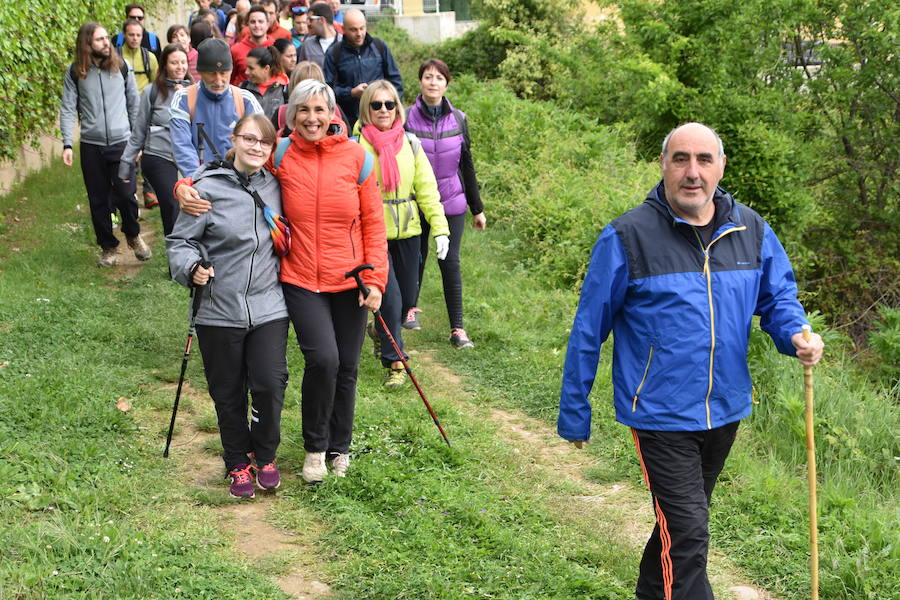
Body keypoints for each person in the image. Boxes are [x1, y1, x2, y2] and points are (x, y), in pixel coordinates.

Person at [556, 122, 825, 600]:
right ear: (663, 165)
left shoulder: (751, 230)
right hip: (658, 411)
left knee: (679, 525)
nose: (692, 172)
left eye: (704, 159)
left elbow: (779, 299)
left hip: (725, 408)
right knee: (688, 530)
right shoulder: (626, 236)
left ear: (721, 167)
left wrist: (796, 335)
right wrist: (575, 412)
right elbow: (588, 329)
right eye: (681, 159)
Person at [175, 79, 388, 483]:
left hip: (351, 278)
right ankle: (314, 447)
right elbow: (234, 169)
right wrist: (183, 185)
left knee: (347, 368)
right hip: (301, 278)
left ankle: (339, 447)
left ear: (332, 115)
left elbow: (374, 224)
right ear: (291, 115)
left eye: (319, 110)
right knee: (323, 360)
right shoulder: (282, 153)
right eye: (303, 111)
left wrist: (375, 279)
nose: (312, 118)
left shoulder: (358, 159)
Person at [166, 113, 289, 499]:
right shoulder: (205, 188)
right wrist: (191, 268)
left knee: (270, 384)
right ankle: (237, 460)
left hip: (269, 305)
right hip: (219, 309)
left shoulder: (278, 186)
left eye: (264, 142)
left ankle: (265, 453)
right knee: (227, 391)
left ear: (271, 149)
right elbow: (179, 243)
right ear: (234, 140)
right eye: (249, 139)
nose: (256, 147)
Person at [354, 80, 450, 388]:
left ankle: (378, 330)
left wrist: (440, 229)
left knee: (408, 298)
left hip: (408, 231)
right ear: (366, 109)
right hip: (374, 234)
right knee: (391, 300)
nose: (383, 110)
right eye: (376, 105)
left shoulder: (410, 143)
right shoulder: (357, 146)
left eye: (389, 104)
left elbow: (427, 189)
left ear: (398, 107)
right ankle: (396, 363)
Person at [404, 58, 486, 349]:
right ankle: (408, 310)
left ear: (446, 83)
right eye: (428, 77)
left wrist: (477, 209)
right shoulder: (405, 118)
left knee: (449, 262)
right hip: (416, 203)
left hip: (451, 202)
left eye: (439, 77)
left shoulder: (459, 119)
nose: (433, 82)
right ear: (420, 82)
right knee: (415, 258)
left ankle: (458, 329)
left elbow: (467, 165)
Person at [60, 22, 150, 267]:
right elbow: (68, 108)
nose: (105, 43)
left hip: (122, 143)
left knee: (126, 194)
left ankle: (133, 234)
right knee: (98, 199)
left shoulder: (122, 67)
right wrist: (67, 143)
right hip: (91, 145)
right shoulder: (75, 72)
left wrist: (137, 141)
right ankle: (108, 247)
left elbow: (134, 105)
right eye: (99, 40)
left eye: (105, 38)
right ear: (87, 44)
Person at [118, 44, 193, 237]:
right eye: (174, 62)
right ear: (165, 65)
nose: (179, 67)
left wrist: (183, 97)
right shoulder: (152, 91)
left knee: (194, 209)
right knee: (172, 205)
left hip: (189, 158)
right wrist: (126, 162)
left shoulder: (196, 92)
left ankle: (193, 260)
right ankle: (175, 260)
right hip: (159, 156)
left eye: (183, 62)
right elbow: (139, 130)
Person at [169, 37, 263, 178]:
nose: (218, 81)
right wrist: (198, 181)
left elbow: (259, 143)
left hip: (238, 183)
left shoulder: (246, 100)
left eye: (224, 73)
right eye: (212, 74)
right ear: (200, 72)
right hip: (197, 182)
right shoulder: (183, 99)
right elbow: (182, 146)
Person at [324, 8, 402, 130]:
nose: (359, 33)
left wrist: (394, 109)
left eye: (362, 28)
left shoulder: (379, 47)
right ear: (343, 29)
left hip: (379, 117)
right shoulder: (334, 53)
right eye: (353, 30)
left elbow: (395, 82)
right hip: (348, 119)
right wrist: (351, 93)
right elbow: (327, 91)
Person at [240, 46, 289, 121]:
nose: (246, 72)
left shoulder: (285, 89)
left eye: (251, 68)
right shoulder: (243, 88)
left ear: (266, 68)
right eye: (247, 67)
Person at [230, 5, 274, 85]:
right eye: (253, 22)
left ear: (267, 24)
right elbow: (231, 78)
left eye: (260, 21)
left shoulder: (275, 47)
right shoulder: (235, 50)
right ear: (248, 24)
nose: (257, 25)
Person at [118, 18, 159, 93]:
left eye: (138, 35)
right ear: (124, 34)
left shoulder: (150, 58)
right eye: (131, 35)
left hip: (143, 102)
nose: (135, 38)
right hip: (121, 102)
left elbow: (156, 85)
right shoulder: (115, 56)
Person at [297, 2, 340, 69]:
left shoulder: (344, 43)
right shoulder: (307, 45)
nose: (308, 24)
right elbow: (301, 73)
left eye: (311, 20)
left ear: (322, 20)